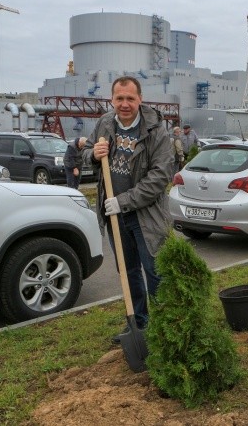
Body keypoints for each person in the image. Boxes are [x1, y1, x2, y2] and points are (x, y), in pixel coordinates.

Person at [81, 76, 173, 342]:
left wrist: (124, 201)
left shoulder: (155, 130)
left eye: (130, 98)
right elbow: (87, 152)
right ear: (112, 99)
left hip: (147, 216)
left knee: (154, 271)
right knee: (128, 271)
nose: (124, 104)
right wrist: (94, 155)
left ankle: (164, 326)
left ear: (140, 99)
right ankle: (139, 323)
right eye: (119, 98)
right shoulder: (105, 123)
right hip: (114, 216)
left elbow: (160, 176)